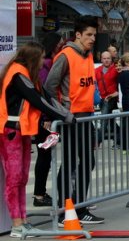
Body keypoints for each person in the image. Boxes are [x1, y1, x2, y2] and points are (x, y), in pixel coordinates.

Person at [0, 41, 75, 237]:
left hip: (21, 131)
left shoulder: (25, 75)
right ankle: (17, 224)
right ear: (33, 58)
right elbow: (38, 100)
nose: (44, 61)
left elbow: (45, 97)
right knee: (15, 178)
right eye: (41, 57)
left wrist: (65, 114)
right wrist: (65, 116)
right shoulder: (18, 74)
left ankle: (23, 221)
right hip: (11, 131)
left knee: (22, 178)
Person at [44, 15, 104, 224]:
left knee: (88, 161)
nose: (92, 38)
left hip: (87, 115)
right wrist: (62, 112)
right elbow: (49, 87)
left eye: (94, 35)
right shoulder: (65, 56)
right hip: (72, 117)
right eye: (88, 35)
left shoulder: (87, 55)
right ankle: (65, 210)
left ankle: (79, 207)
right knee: (70, 163)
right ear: (77, 35)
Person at [33, 32, 64, 208]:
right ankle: (39, 194)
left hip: (46, 117)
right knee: (44, 156)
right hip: (44, 119)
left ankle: (40, 193)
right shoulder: (45, 66)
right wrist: (46, 117)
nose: (61, 45)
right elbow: (45, 94)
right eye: (59, 43)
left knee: (45, 156)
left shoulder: (48, 64)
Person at [95, 51, 119, 147]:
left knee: (104, 119)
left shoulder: (116, 69)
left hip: (112, 98)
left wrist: (116, 94)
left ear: (111, 59)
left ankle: (97, 141)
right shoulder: (96, 70)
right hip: (102, 99)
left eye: (108, 58)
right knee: (111, 121)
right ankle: (119, 139)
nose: (106, 60)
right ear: (101, 59)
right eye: (104, 58)